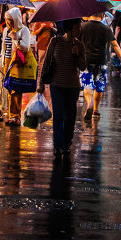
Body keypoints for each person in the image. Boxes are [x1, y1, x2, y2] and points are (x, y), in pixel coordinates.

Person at [37, 18, 86, 159]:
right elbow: (46, 62)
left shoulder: (79, 45)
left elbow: (83, 66)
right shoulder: (55, 42)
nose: (80, 29)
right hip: (56, 85)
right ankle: (58, 146)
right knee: (58, 115)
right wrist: (41, 84)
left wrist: (76, 55)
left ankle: (66, 144)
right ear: (70, 28)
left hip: (72, 86)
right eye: (77, 27)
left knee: (70, 117)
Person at [80, 12, 121, 120]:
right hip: (101, 61)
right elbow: (115, 44)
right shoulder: (106, 29)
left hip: (86, 60)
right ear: (102, 16)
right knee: (99, 86)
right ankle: (95, 110)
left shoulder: (82, 27)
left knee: (87, 85)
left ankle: (89, 104)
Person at [0, 6, 30, 126]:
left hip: (17, 62)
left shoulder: (24, 30)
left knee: (16, 88)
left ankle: (16, 115)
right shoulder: (6, 30)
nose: (7, 22)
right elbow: (4, 47)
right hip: (7, 61)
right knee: (9, 87)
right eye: (6, 20)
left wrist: (16, 39)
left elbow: (26, 47)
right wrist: (1, 62)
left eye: (10, 20)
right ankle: (12, 114)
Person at [34, 21, 56, 98]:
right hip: (41, 46)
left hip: (50, 46)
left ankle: (47, 82)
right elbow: (35, 33)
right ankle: (40, 84)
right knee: (40, 65)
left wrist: (52, 27)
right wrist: (41, 27)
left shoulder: (52, 21)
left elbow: (57, 31)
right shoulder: (39, 22)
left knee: (49, 65)